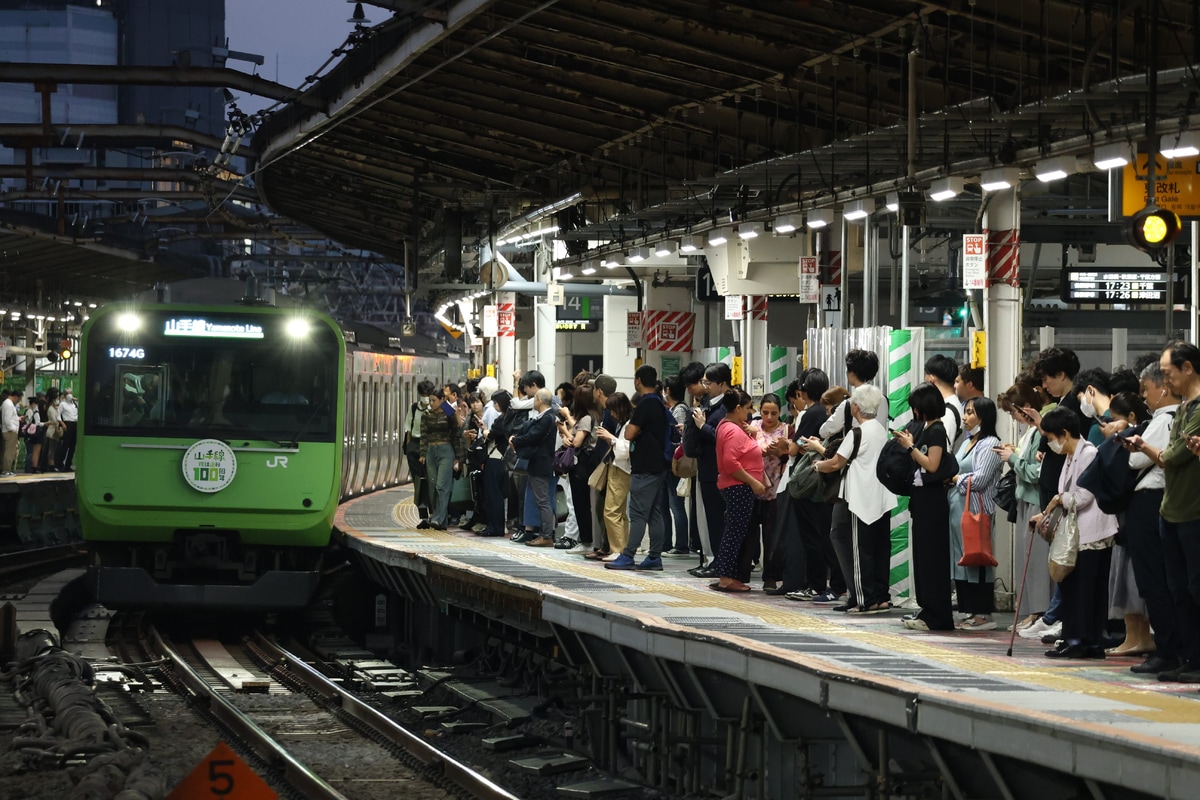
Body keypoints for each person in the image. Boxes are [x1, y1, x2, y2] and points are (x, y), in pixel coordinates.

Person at [1127, 342, 1200, 681]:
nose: (1165, 382)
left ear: (1189, 369)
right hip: (1171, 509)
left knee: (1194, 588)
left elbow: (1171, 457)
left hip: (1193, 510)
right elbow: (1171, 453)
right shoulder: (1184, 409)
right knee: (1178, 589)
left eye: (1168, 374)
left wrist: (1148, 448)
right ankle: (1186, 656)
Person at [1112, 364, 1183, 674]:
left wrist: (1131, 446)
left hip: (1151, 501)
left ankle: (1167, 650)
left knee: (1154, 580)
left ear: (1163, 387)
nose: (1144, 396)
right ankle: (1171, 648)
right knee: (1162, 580)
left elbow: (1138, 459)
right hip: (1160, 502)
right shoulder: (1169, 419)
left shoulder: (1165, 420)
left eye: (1146, 389)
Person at [1031, 407, 1118, 659]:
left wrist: (1060, 499)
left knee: (1086, 589)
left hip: (1093, 533)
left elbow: (1084, 496)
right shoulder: (1070, 456)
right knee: (1073, 587)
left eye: (1050, 437)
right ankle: (1075, 639)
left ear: (1064, 433)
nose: (1050, 443)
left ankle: (1086, 641)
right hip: (1077, 533)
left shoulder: (1089, 453)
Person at [813, 384, 895, 613]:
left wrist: (819, 465)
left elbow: (836, 462)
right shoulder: (882, 430)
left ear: (856, 406)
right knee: (879, 549)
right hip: (881, 497)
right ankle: (880, 596)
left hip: (860, 498)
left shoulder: (857, 432)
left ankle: (864, 599)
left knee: (860, 550)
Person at [892, 383, 954, 631]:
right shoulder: (927, 428)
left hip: (932, 502)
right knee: (923, 557)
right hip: (922, 500)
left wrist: (910, 447)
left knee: (932, 558)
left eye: (916, 406)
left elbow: (932, 465)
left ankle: (937, 615)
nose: (914, 411)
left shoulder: (937, 430)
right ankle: (928, 610)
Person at [997, 378, 1055, 634]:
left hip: (1034, 500)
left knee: (1036, 561)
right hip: (1024, 499)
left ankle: (1039, 611)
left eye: (1015, 411)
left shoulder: (1041, 430)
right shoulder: (1030, 432)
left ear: (1027, 407)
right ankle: (1030, 609)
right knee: (1025, 559)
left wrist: (1014, 459)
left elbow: (1037, 471)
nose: (1014, 417)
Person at [1101, 391, 1156, 659]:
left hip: (1138, 510)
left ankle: (1142, 637)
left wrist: (1123, 433)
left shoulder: (1147, 431)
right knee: (1122, 573)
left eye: (1116, 419)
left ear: (1131, 417)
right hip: (1124, 513)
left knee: (1135, 576)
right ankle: (1131, 635)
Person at [779, 369, 841, 601]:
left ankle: (816, 585)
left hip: (809, 482)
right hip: (825, 482)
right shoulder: (824, 414)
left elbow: (794, 449)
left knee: (813, 536)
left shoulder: (810, 414)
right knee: (824, 534)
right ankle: (830, 584)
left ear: (802, 390)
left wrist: (788, 444)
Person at [608, 366, 672, 571]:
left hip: (645, 467)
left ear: (638, 381)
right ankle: (654, 557)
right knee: (654, 513)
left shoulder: (646, 404)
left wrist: (632, 429)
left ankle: (628, 555)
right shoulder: (660, 403)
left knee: (636, 513)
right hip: (659, 465)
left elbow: (628, 433)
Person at [947, 396, 1002, 631]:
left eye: (970, 412)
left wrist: (957, 479)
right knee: (962, 561)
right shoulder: (967, 442)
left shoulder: (990, 443)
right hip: (957, 509)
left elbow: (980, 479)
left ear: (984, 416)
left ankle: (983, 613)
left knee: (977, 559)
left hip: (976, 510)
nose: (965, 417)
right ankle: (969, 609)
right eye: (965, 412)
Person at [710, 389, 767, 592]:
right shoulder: (732, 430)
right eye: (748, 407)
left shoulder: (730, 426)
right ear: (737, 408)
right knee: (734, 532)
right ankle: (726, 577)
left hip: (736, 486)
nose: (750, 412)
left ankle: (727, 574)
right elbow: (730, 463)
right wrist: (753, 482)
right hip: (738, 487)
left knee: (734, 531)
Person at [687, 362, 732, 578]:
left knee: (717, 519)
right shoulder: (710, 403)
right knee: (709, 518)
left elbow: (722, 437)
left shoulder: (725, 407)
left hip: (717, 469)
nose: (705, 386)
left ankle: (719, 562)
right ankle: (713, 558)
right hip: (706, 467)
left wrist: (702, 427)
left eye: (709, 382)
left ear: (722, 384)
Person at [750, 393, 790, 591]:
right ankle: (743, 572)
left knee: (772, 536)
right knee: (749, 533)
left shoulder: (786, 430)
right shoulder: (754, 427)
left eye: (774, 413)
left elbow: (793, 452)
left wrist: (781, 451)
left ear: (780, 412)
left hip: (775, 488)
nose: (769, 417)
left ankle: (771, 576)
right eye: (765, 412)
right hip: (752, 485)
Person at [510, 388, 558, 547]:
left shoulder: (547, 418)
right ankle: (545, 534)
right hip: (538, 462)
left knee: (543, 501)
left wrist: (516, 441)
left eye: (535, 398)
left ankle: (546, 535)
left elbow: (534, 435)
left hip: (541, 463)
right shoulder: (544, 417)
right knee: (541, 500)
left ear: (539, 400)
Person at [418, 386, 465, 531]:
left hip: (446, 450)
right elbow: (424, 434)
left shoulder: (448, 412)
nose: (431, 403)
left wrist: (458, 457)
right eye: (430, 400)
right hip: (431, 451)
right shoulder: (426, 414)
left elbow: (456, 434)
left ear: (442, 400)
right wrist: (422, 453)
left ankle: (438, 518)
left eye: (434, 400)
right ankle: (440, 519)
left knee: (441, 485)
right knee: (432, 486)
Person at [559, 384, 598, 550]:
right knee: (581, 504)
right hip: (585, 465)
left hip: (582, 466)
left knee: (581, 504)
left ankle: (586, 541)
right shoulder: (592, 416)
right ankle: (586, 540)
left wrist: (563, 430)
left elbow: (577, 442)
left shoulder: (587, 418)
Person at [596, 392, 633, 562]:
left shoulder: (628, 424)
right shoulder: (623, 423)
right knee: (619, 512)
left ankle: (618, 549)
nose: (611, 414)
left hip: (622, 469)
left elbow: (625, 450)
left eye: (613, 410)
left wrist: (610, 438)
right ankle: (621, 548)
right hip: (618, 468)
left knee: (611, 511)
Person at [663, 376, 691, 557]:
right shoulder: (675, 408)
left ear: (668, 391)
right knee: (673, 504)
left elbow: (680, 439)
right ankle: (672, 544)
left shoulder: (679, 410)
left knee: (676, 505)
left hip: (676, 462)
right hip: (671, 461)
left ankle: (681, 545)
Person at [480, 390, 513, 537]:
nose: (494, 406)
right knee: (498, 494)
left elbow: (492, 435)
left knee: (493, 494)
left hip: (495, 458)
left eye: (495, 403)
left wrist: (485, 430)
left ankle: (495, 527)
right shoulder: (511, 417)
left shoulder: (503, 419)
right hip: (502, 459)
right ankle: (497, 527)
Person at [1, 390, 22, 476]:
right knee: (9, 452)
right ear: (16, 396)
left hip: (8, 431)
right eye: (19, 399)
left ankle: (6, 469)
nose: (19, 401)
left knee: (9, 451)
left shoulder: (6, 403)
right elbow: (7, 419)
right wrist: (13, 429)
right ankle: (6, 470)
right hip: (10, 432)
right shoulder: (9, 404)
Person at [57, 387, 78, 471]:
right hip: (67, 423)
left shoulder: (75, 404)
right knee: (65, 445)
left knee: (73, 446)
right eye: (68, 393)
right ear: (65, 395)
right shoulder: (62, 404)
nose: (70, 395)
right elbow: (58, 416)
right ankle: (60, 464)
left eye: (71, 393)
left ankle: (68, 464)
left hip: (75, 424)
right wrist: (62, 424)